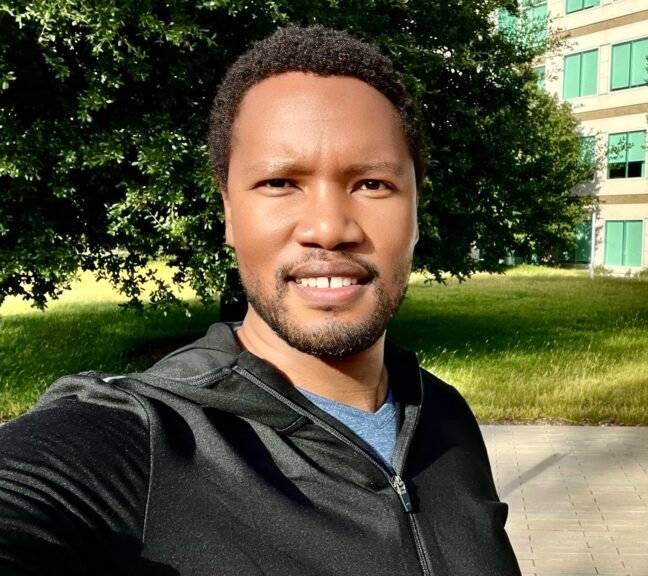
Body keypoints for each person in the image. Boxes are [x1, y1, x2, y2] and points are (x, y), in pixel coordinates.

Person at [0, 26, 521, 576]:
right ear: (228, 212)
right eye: (279, 182)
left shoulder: (442, 416)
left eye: (371, 184)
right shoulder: (140, 441)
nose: (329, 228)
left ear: (417, 212)